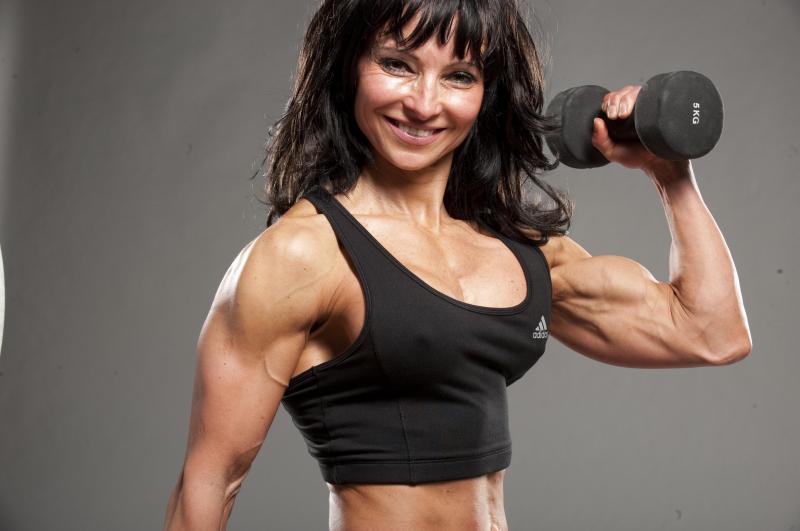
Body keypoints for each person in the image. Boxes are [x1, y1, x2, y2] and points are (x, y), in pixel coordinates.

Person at [163, 1, 752, 529]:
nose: (424, 104)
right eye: (397, 64)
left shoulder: (519, 248)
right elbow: (209, 485)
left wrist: (668, 173)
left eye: (459, 76)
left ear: (486, 93)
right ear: (347, 69)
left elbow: (711, 332)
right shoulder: (304, 255)